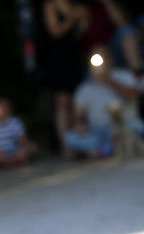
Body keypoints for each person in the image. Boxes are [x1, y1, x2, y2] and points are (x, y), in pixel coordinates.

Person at [65, 44, 144, 157]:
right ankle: (109, 147)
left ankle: (105, 149)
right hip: (97, 132)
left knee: (139, 127)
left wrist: (108, 80)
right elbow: (79, 115)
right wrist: (80, 124)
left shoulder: (123, 76)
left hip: (123, 126)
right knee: (70, 138)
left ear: (110, 59)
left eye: (102, 58)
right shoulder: (85, 87)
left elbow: (133, 94)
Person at [42, 0, 86, 153]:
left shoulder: (73, 5)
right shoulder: (50, 5)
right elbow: (55, 31)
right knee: (62, 101)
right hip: (59, 56)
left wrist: (81, 19)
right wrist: (73, 17)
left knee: (77, 100)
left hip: (75, 54)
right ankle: (66, 145)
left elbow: (81, 31)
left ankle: (80, 143)